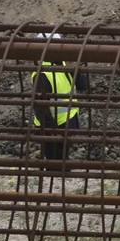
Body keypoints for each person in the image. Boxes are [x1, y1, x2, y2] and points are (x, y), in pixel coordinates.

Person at [31, 34, 82, 162]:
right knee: (55, 164)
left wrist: (75, 69)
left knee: (62, 162)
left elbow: (82, 86)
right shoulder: (43, 73)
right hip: (53, 126)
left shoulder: (64, 64)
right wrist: (51, 130)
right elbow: (40, 106)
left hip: (68, 121)